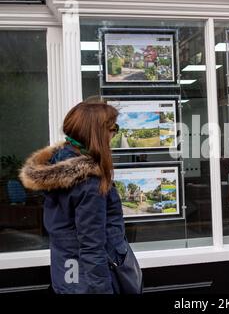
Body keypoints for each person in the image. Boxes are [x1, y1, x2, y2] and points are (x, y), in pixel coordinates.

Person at [19, 101, 139, 294]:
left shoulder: (57, 165)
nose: (115, 133)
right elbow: (92, 246)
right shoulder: (89, 184)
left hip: (67, 272)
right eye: (113, 128)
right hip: (88, 280)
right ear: (97, 133)